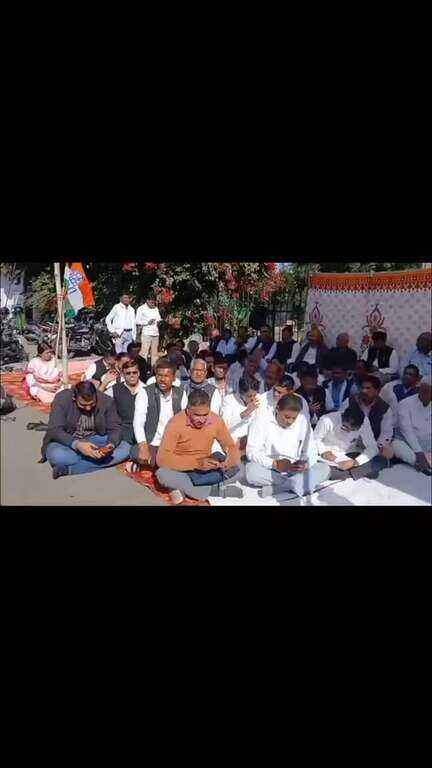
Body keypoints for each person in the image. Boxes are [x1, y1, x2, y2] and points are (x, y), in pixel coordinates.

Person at [156, 389, 243, 503]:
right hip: (182, 469)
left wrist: (230, 460)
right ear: (188, 410)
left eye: (205, 415)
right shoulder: (175, 424)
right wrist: (196, 464)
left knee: (240, 469)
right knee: (162, 474)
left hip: (207, 466)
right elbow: (162, 459)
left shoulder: (216, 420)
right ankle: (211, 490)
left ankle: (185, 489)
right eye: (197, 415)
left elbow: (230, 446)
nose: (202, 420)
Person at [246, 394, 330, 499]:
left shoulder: (303, 421)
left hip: (296, 470)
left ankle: (282, 487)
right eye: (286, 417)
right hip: (272, 469)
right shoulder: (260, 420)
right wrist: (274, 464)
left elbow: (311, 449)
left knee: (325, 468)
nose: (290, 421)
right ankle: (298, 485)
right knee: (251, 471)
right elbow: (252, 452)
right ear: (277, 409)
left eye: (294, 418)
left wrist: (305, 464)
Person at [41, 381, 131, 478]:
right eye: (83, 405)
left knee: (126, 449)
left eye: (92, 404)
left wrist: (110, 445)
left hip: (96, 440)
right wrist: (77, 445)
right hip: (69, 440)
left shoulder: (107, 401)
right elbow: (55, 429)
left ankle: (69, 469)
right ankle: (95, 460)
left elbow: (115, 427)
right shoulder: (62, 398)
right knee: (57, 456)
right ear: (74, 397)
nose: (88, 408)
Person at [131, 357, 188, 470]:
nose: (162, 379)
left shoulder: (181, 393)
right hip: (151, 443)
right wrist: (143, 446)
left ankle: (154, 466)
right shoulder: (145, 393)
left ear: (173, 378)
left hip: (173, 444)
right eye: (159, 375)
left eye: (166, 376)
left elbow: (185, 421)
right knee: (139, 453)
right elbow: (138, 422)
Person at [314, 406, 386, 481]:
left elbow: (373, 447)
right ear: (342, 417)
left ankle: (343, 473)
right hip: (327, 456)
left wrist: (355, 462)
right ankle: (352, 473)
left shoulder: (365, 422)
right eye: (345, 427)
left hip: (348, 455)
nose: (348, 432)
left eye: (353, 430)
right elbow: (315, 439)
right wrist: (323, 451)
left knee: (380, 461)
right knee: (323, 469)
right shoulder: (327, 420)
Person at [391, 376, 432, 475]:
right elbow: (407, 431)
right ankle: (420, 463)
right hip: (408, 444)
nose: (424, 394)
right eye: (423, 391)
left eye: (428, 391)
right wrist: (419, 452)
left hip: (428, 444)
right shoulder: (405, 404)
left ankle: (426, 461)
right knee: (396, 445)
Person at [346, 375, 394, 452]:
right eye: (362, 388)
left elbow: (386, 434)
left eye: (368, 388)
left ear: (377, 391)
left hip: (372, 445)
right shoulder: (351, 401)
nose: (364, 391)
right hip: (348, 441)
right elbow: (340, 421)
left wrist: (375, 448)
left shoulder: (384, 409)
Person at [221, 377, 260, 456]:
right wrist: (244, 413)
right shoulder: (229, 400)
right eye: (249, 396)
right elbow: (224, 426)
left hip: (253, 443)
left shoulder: (258, 398)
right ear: (241, 393)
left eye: (254, 395)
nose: (253, 398)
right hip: (234, 442)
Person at [112, 359, 146, 446]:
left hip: (144, 436)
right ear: (123, 375)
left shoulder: (147, 390)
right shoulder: (114, 389)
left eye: (134, 372)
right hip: (122, 436)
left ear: (138, 373)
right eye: (128, 373)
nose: (132, 376)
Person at [135, 293, 162, 368]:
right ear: (147, 300)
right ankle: (142, 369)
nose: (152, 303)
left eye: (153, 301)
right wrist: (147, 322)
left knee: (155, 354)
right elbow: (137, 321)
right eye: (151, 301)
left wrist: (159, 321)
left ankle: (153, 370)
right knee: (144, 353)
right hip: (146, 333)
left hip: (155, 333)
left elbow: (158, 318)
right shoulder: (141, 308)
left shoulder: (155, 308)